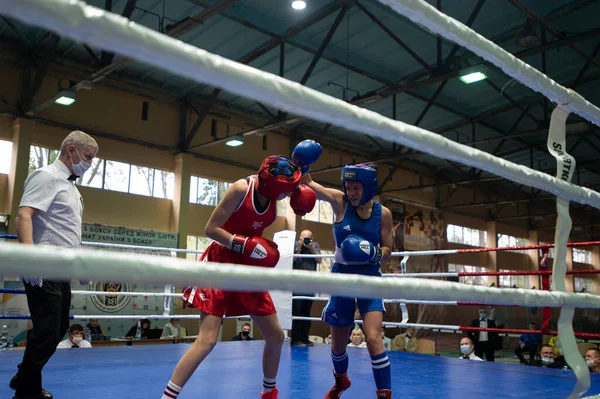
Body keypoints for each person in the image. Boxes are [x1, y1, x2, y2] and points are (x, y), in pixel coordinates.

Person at [160, 155, 316, 399]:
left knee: (276, 336)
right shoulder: (240, 189)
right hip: (220, 262)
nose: (285, 196)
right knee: (207, 340)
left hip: (248, 266)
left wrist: (304, 171)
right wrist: (240, 243)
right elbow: (210, 229)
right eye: (283, 192)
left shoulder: (276, 192)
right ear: (272, 186)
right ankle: (167, 397)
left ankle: (268, 393)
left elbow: (298, 183)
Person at [295, 139, 394, 399]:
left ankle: (384, 394)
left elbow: (388, 252)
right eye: (348, 187)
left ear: (369, 187)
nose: (351, 192)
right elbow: (309, 184)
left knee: (373, 339)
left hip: (370, 278)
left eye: (356, 188)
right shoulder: (340, 202)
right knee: (337, 343)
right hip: (342, 276)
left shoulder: (383, 214)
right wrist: (301, 164)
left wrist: (374, 254)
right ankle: (341, 382)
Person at [9, 130, 98, 399]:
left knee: (58, 329)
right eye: (88, 157)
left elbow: (69, 232)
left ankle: (24, 378)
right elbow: (23, 216)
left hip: (62, 269)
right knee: (47, 331)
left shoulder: (71, 187)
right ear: (71, 150)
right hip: (43, 266)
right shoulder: (46, 176)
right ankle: (26, 389)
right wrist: (30, 258)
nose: (90, 163)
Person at [291, 229, 322, 346]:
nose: (306, 240)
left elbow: (319, 260)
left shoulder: (315, 246)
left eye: (308, 238)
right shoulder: (294, 245)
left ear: (311, 239)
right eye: (304, 238)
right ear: (300, 237)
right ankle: (295, 339)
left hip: (310, 284)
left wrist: (311, 248)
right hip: (297, 284)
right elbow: (291, 260)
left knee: (306, 312)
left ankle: (304, 338)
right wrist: (298, 248)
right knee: (297, 311)